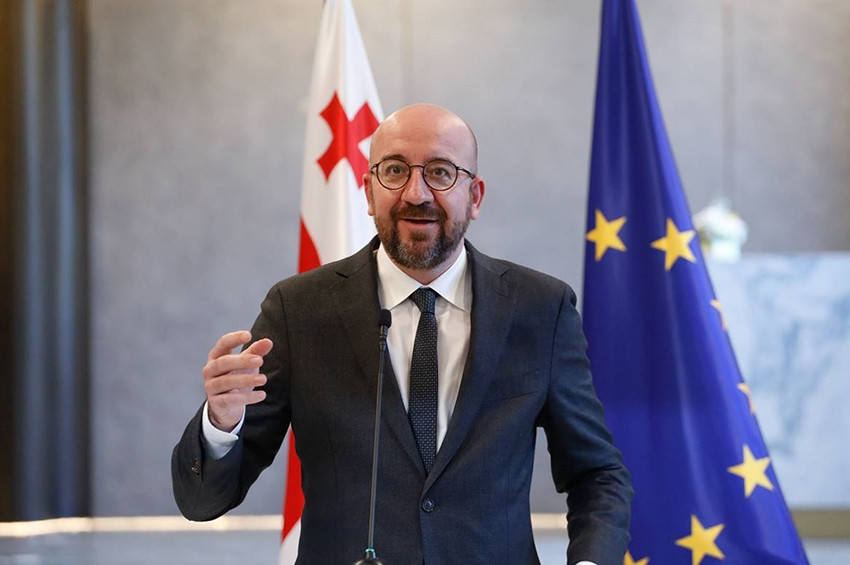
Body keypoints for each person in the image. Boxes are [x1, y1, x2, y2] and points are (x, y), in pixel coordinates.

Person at [172, 104, 632, 564]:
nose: (416, 193)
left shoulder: (540, 308)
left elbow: (597, 474)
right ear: (369, 193)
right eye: (394, 170)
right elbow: (202, 501)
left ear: (475, 196)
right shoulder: (298, 310)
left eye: (440, 172)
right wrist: (221, 424)